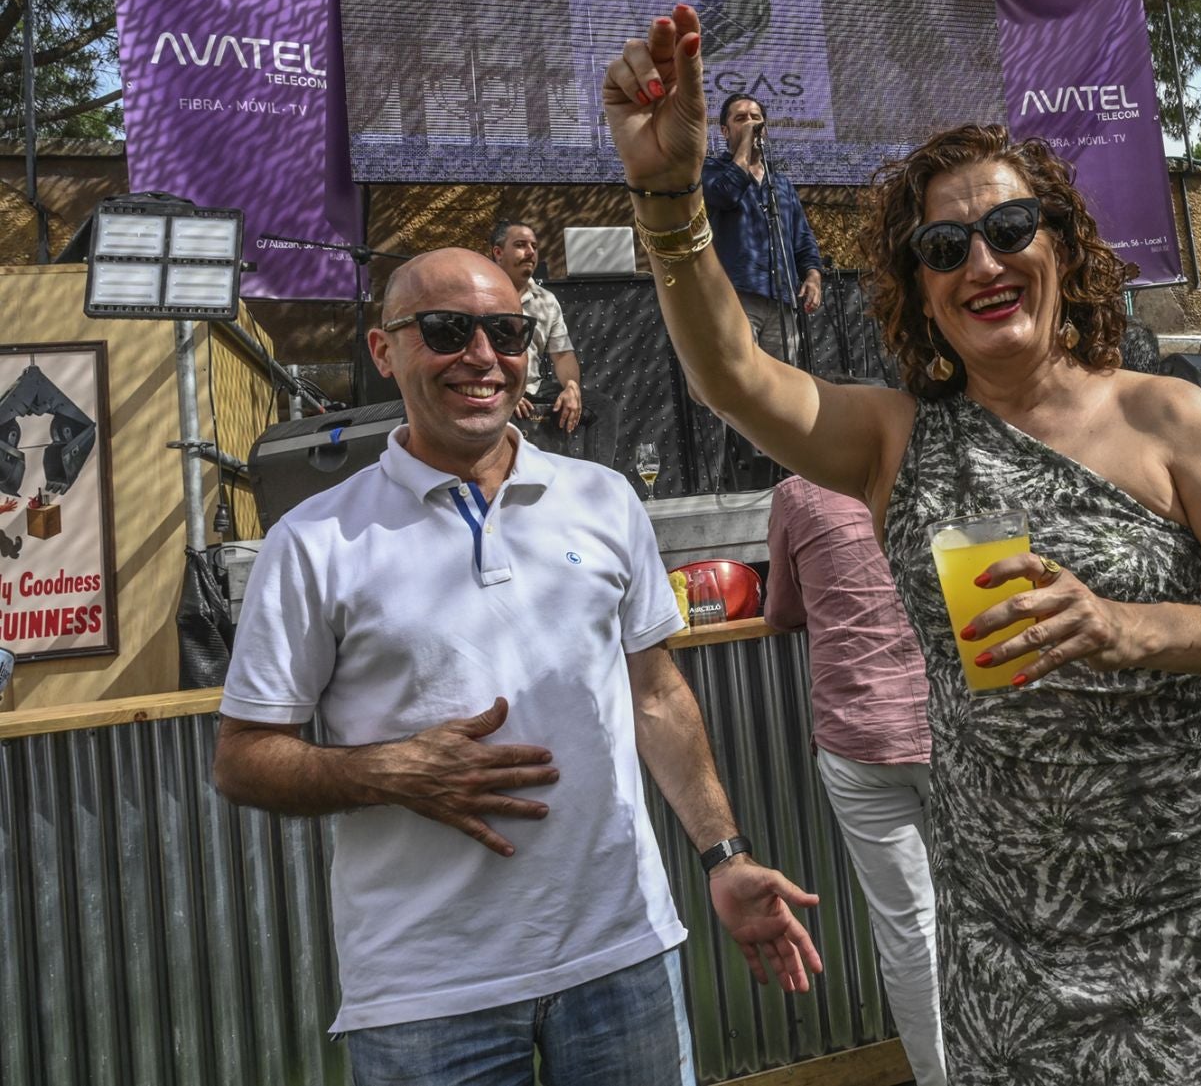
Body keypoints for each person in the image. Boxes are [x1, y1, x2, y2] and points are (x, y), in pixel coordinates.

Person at [600, 5, 1201, 1086]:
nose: (983, 263)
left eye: (1010, 230)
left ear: (1059, 244)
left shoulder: (1166, 417)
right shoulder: (894, 438)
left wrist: (1129, 628)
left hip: (1178, 898)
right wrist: (668, 196)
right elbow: (734, 374)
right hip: (1005, 924)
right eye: (945, 248)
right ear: (920, 290)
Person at [212, 247, 822, 1084]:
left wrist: (726, 856)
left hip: (623, 960)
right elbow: (243, 757)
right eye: (445, 329)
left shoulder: (604, 499)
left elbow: (657, 697)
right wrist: (391, 770)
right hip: (425, 996)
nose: (481, 355)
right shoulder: (314, 541)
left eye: (506, 331)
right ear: (384, 350)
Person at [764, 471, 946, 1086]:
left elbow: (782, 610)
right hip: (957, 724)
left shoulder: (798, 492)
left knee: (908, 928)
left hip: (858, 736)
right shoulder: (928, 463)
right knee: (999, 913)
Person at [700, 93, 825, 366]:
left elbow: (802, 239)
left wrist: (813, 277)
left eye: (756, 118)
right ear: (724, 130)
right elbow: (725, 194)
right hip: (737, 298)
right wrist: (745, 145)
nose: (750, 123)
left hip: (782, 300)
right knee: (743, 386)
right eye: (741, 118)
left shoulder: (780, 184)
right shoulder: (711, 170)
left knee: (784, 388)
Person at [489, 219, 583, 432]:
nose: (531, 252)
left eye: (534, 246)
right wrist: (506, 390)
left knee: (602, 409)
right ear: (498, 252)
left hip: (534, 387)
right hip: (492, 387)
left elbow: (563, 355)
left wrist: (571, 387)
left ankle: (587, 467)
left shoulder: (546, 300)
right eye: (521, 245)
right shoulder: (481, 295)